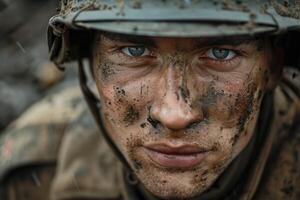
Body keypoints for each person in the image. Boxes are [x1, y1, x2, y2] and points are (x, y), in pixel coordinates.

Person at [1, 0, 300, 199]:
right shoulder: (35, 168)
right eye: (135, 52)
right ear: (91, 61)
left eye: (221, 54)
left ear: (272, 65)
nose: (175, 114)